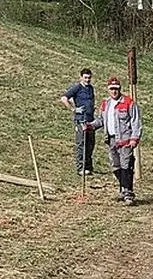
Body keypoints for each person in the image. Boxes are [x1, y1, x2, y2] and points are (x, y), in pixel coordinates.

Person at [85, 77, 142, 205]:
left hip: (125, 140)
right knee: (116, 166)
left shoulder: (128, 103)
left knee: (126, 165)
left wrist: (134, 138)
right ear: (108, 90)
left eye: (116, 89)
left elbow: (136, 122)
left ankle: (128, 193)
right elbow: (101, 120)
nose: (114, 91)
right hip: (110, 140)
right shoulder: (106, 104)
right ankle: (123, 189)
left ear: (120, 89)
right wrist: (89, 126)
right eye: (112, 89)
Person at [61, 69, 96, 176]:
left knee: (90, 144)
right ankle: (80, 167)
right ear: (81, 77)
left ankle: (89, 167)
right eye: (85, 77)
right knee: (81, 143)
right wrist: (73, 109)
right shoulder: (77, 88)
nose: (87, 80)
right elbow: (64, 98)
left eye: (89, 78)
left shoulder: (90, 88)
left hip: (91, 120)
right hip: (81, 120)